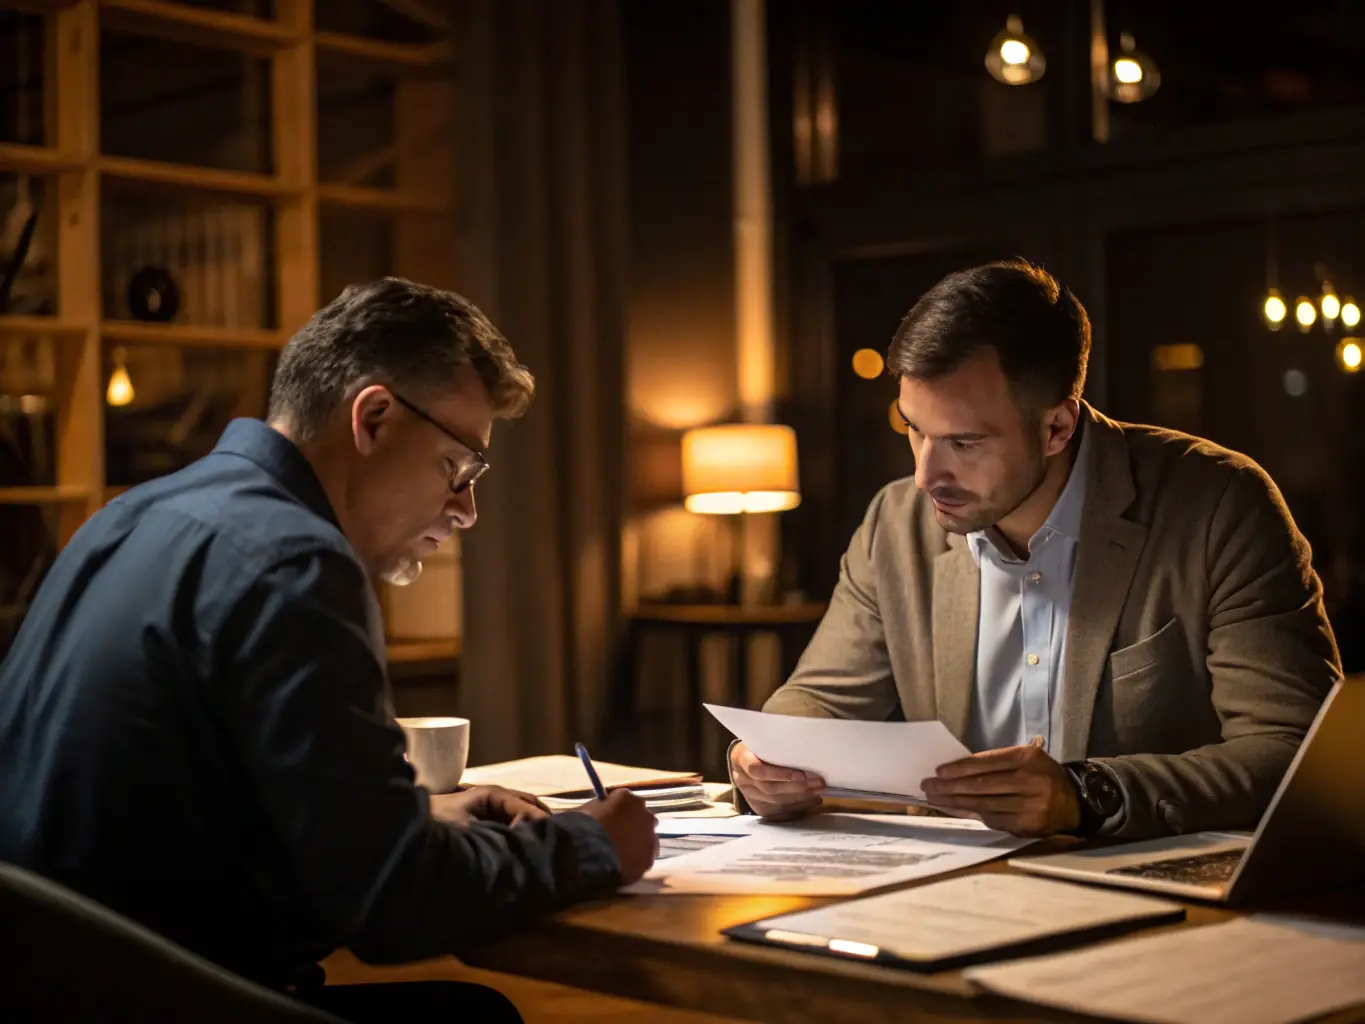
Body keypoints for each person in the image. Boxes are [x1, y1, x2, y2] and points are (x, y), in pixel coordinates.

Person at [0, 278, 658, 1022]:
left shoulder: (128, 518)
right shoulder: (294, 562)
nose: (467, 510)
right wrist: (588, 846)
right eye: (459, 467)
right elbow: (394, 903)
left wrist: (414, 816)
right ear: (373, 418)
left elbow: (173, 810)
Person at [731, 260, 1342, 841]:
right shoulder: (895, 524)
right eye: (914, 429)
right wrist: (763, 762)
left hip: (1155, 886)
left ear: (1057, 427)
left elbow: (1295, 753)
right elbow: (819, 699)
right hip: (957, 881)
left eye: (964, 443)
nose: (925, 475)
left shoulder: (1219, 506)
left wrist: (1085, 795)